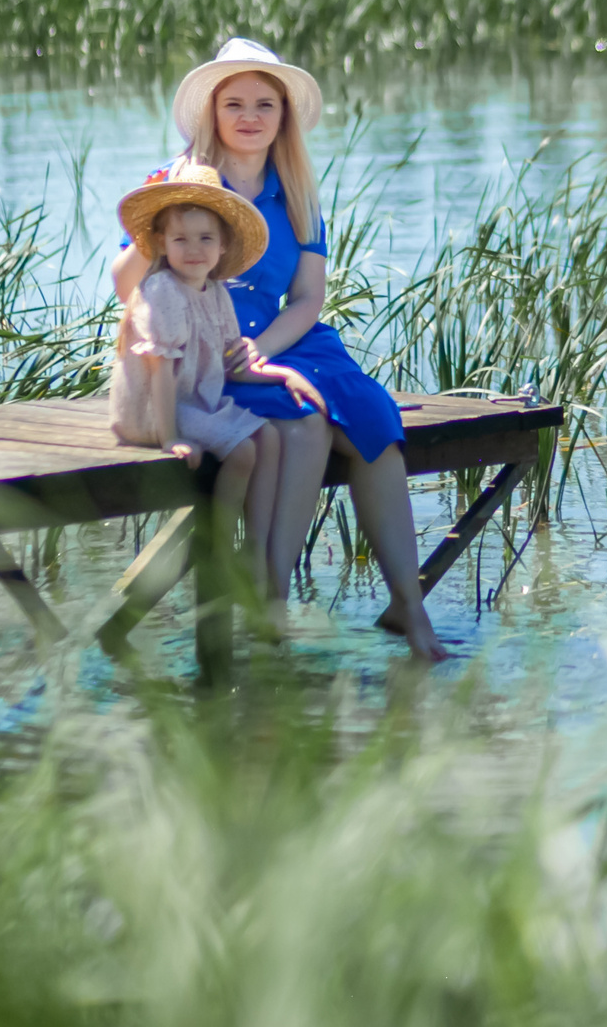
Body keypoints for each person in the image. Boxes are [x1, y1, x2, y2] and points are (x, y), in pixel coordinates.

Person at [111, 37, 443, 660]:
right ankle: (272, 595)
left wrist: (260, 349)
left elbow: (308, 300)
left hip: (288, 341)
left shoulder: (297, 193)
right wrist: (160, 208)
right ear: (212, 112)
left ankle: (409, 604)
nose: (250, 116)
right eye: (234, 102)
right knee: (306, 422)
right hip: (211, 350)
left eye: (266, 104)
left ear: (284, 116)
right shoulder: (182, 180)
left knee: (375, 419)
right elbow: (126, 285)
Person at [108, 163, 324, 626]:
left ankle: (256, 548)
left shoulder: (215, 293)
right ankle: (218, 545)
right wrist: (168, 440)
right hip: (154, 408)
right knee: (243, 451)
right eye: (181, 239)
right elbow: (160, 372)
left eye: (206, 239)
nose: (193, 250)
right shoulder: (163, 291)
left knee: (267, 436)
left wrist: (282, 378)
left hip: (194, 400)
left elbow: (232, 366)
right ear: (162, 245)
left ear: (223, 246)